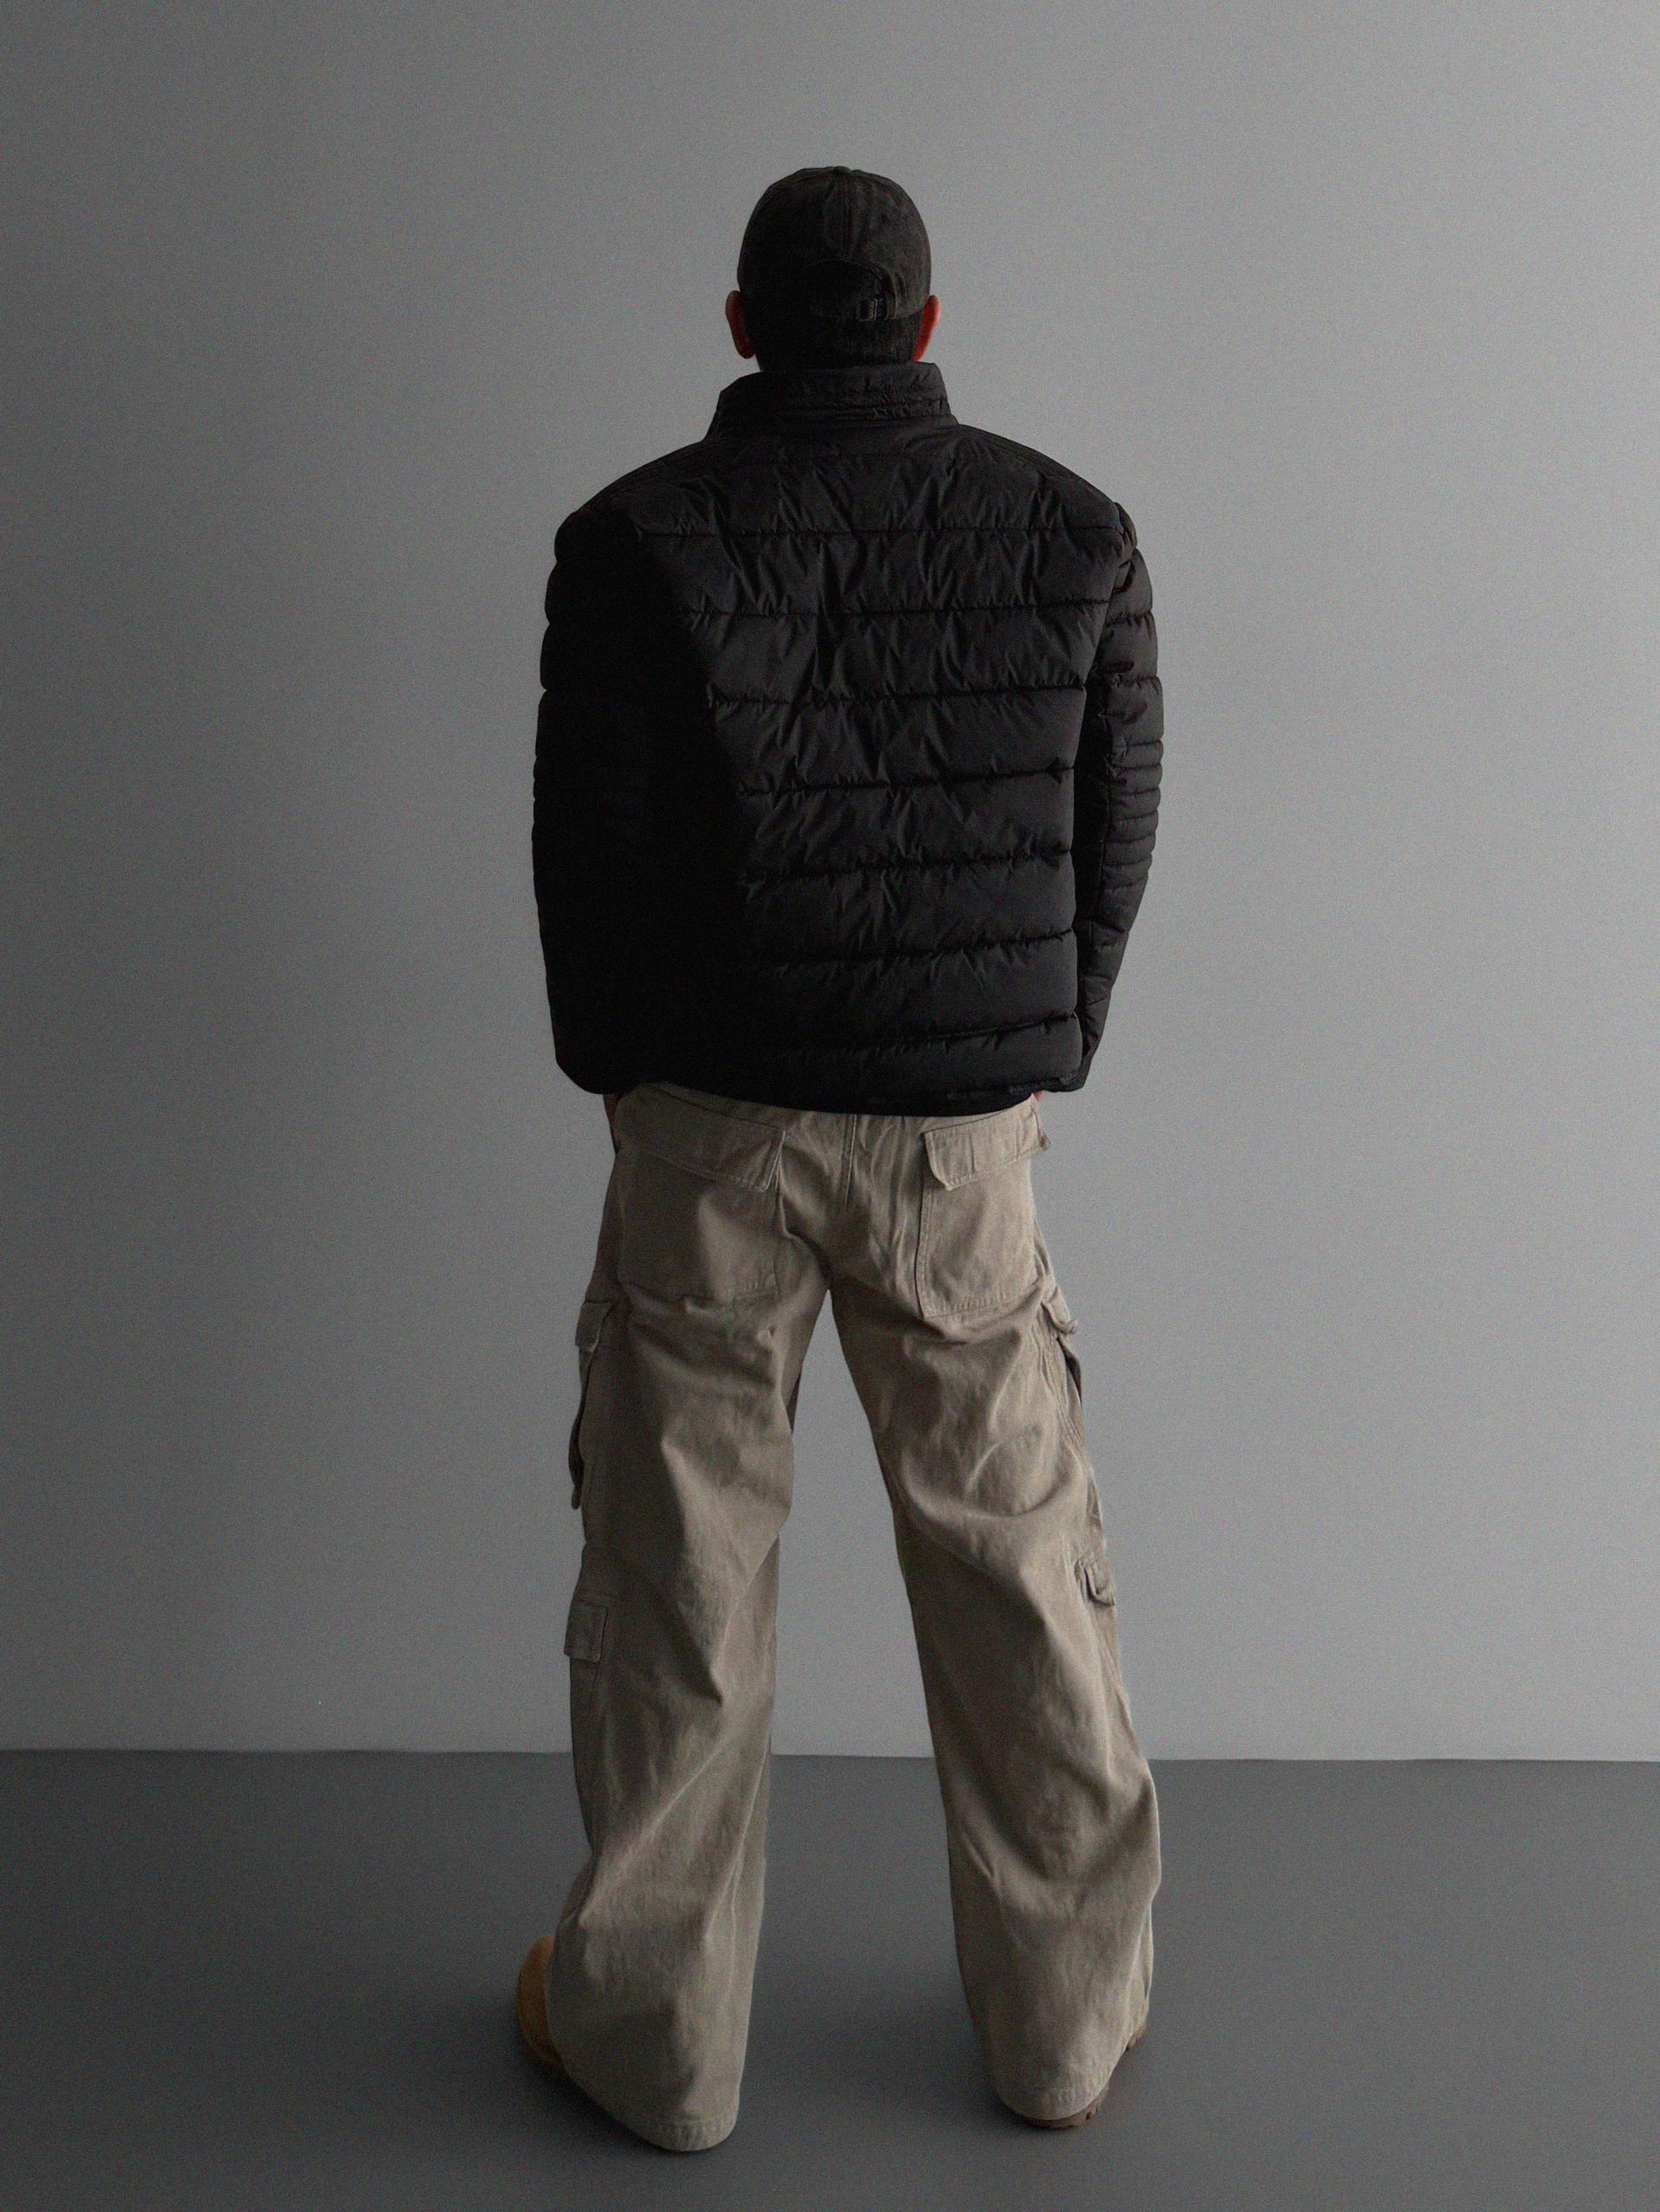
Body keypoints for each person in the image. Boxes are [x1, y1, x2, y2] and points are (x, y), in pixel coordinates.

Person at [515, 166, 1164, 2153]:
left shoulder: (632, 538)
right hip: (959, 1145)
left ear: (742, 323)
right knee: (1013, 1568)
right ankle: (1062, 2031)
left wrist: (622, 1072)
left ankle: (655, 2046)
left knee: (681, 1574)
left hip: (707, 1128)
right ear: (929, 324)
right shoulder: (1075, 530)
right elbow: (1115, 822)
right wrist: (1036, 1041)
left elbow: (585, 851)